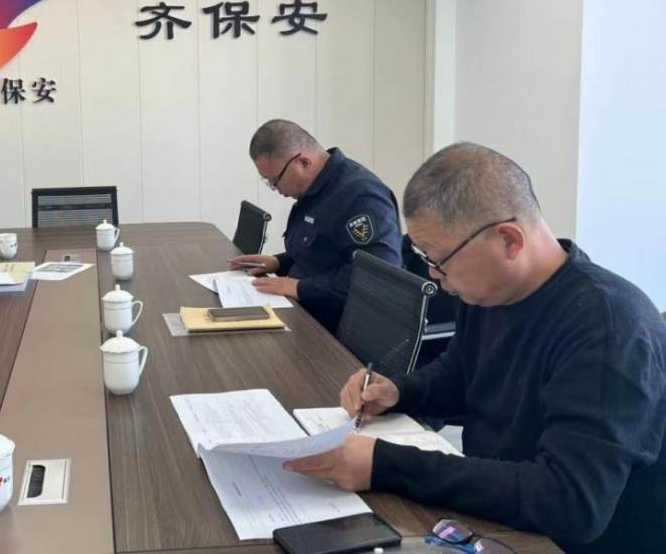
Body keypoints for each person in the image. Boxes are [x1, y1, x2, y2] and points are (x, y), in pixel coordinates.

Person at [283, 143, 666, 553]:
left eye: (439, 260)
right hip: (494, 520)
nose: (434, 275)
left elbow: (571, 502)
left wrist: (386, 465)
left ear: (509, 240)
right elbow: (462, 374)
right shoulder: (489, 292)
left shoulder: (608, 329)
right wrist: (398, 391)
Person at [228, 119, 402, 334]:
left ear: (303, 162)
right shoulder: (315, 190)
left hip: (339, 328)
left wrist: (300, 288)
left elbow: (377, 277)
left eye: (275, 180)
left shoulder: (361, 197)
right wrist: (278, 262)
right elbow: (321, 253)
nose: (275, 188)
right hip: (305, 312)